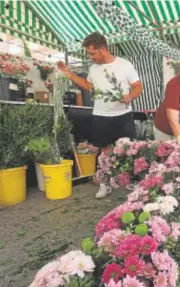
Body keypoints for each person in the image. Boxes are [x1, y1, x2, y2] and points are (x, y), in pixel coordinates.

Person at [57, 32, 143, 199]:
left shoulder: (125, 65)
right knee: (104, 152)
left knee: (128, 150)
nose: (90, 57)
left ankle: (132, 180)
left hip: (123, 115)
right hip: (100, 116)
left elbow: (138, 86)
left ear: (102, 49)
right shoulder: (93, 69)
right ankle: (105, 183)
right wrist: (69, 74)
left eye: (92, 53)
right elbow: (88, 86)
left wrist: (130, 96)